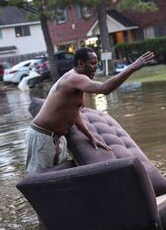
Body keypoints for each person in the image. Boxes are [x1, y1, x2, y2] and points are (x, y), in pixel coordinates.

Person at [25, 48, 154, 175]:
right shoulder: (74, 78)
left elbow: (74, 112)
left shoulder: (78, 82)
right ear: (81, 64)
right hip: (43, 136)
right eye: (92, 63)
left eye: (97, 63)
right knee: (38, 180)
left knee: (56, 179)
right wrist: (131, 68)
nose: (96, 67)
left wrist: (90, 136)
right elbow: (105, 89)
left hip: (57, 138)